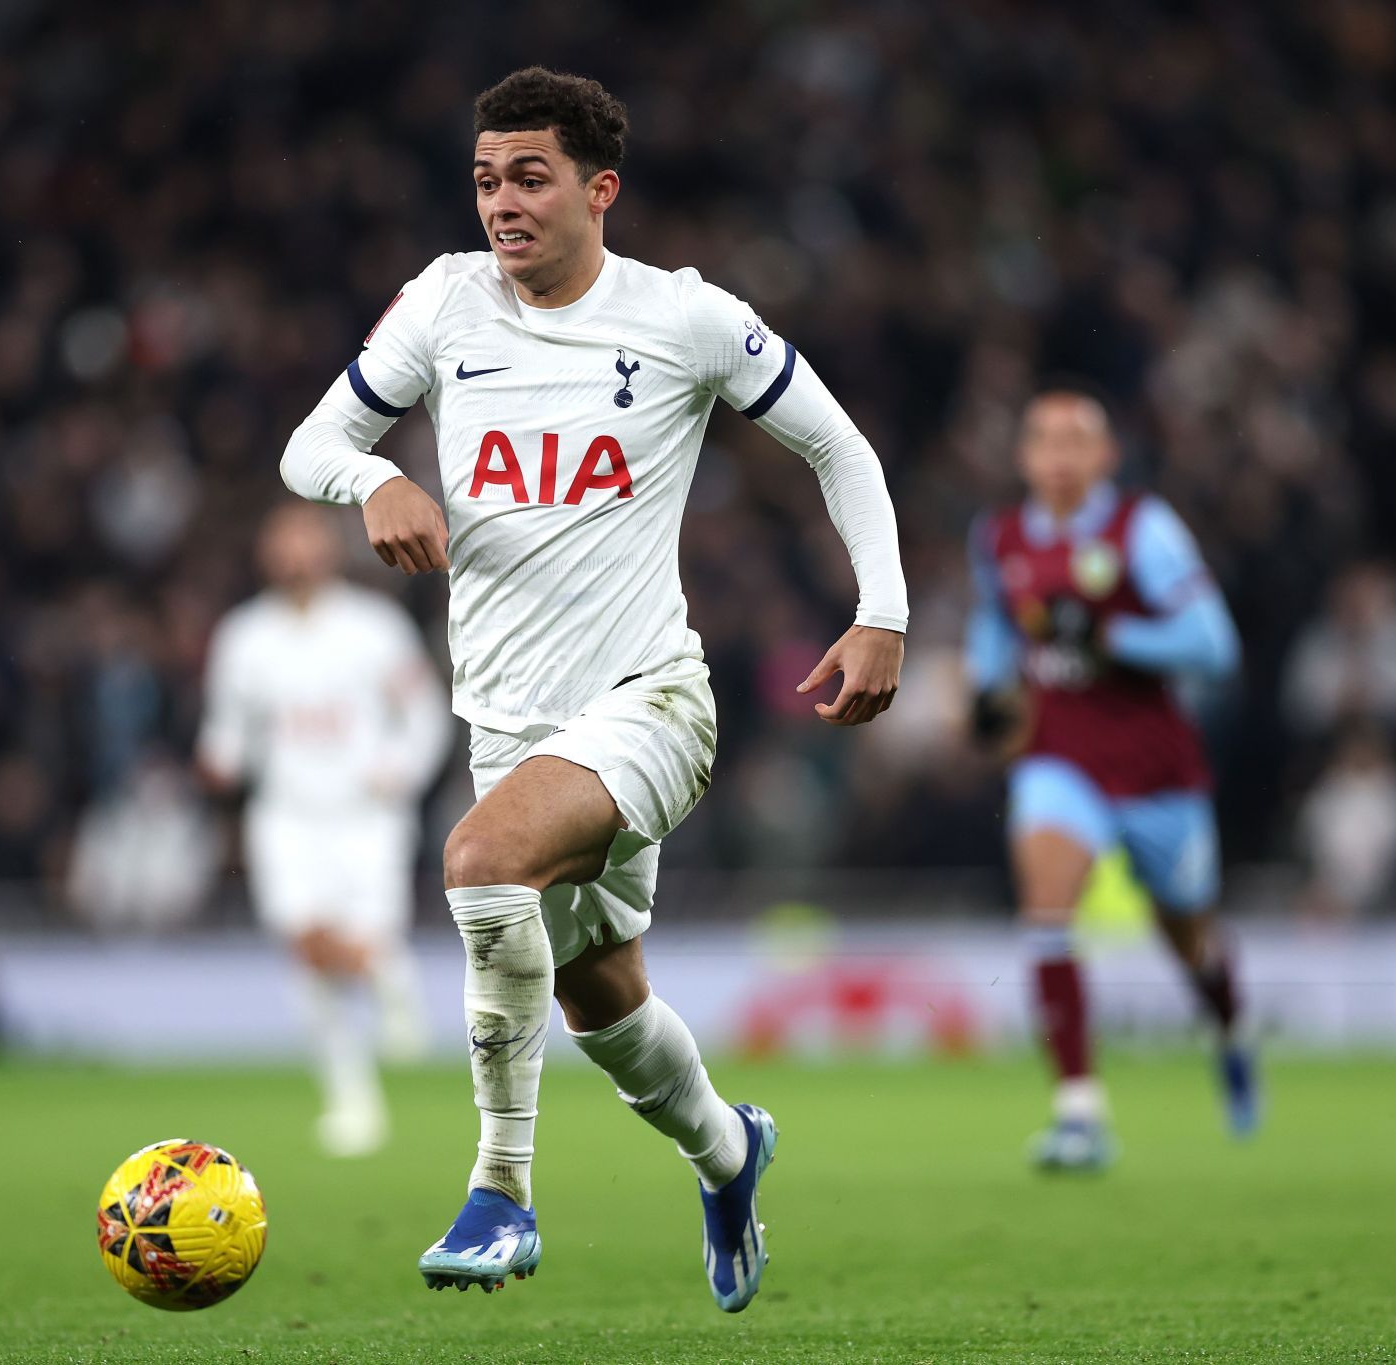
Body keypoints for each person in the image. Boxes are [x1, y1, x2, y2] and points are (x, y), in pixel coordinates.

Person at [279, 67, 907, 1311]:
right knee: (599, 998)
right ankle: (730, 1153)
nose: (502, 203)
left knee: (478, 864)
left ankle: (500, 1194)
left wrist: (881, 611)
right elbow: (311, 447)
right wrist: (376, 484)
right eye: (485, 179)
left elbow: (839, 444)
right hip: (508, 722)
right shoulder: (445, 302)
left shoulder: (682, 319)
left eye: (530, 177)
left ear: (598, 189)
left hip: (652, 701)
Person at [966, 389, 1253, 1172]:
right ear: (1025, 457)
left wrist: (1110, 634)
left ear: (1106, 457)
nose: (1059, 455)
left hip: (1158, 769)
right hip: (1060, 759)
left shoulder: (1144, 530)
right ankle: (1080, 1112)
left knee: (1189, 935)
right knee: (1047, 903)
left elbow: (1214, 647)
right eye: (1044, 440)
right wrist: (986, 689)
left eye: (1077, 440)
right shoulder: (998, 537)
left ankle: (1229, 1029)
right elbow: (995, 619)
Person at [198, 502, 451, 1157]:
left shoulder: (374, 628)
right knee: (307, 949)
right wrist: (221, 757)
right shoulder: (243, 637)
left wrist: (400, 767)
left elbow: (424, 714)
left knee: (348, 947)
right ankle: (357, 1081)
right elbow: (230, 728)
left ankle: (381, 987)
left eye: (305, 543)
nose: (294, 557)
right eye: (282, 544)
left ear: (329, 550)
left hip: (366, 816)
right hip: (286, 816)